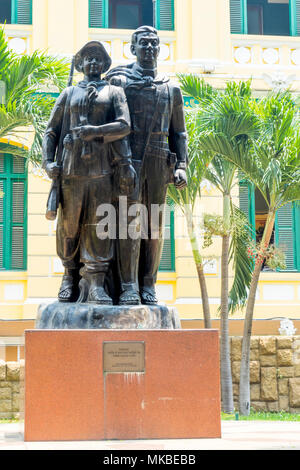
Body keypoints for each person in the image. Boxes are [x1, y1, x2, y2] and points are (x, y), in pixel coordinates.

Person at [42, 41, 136, 304]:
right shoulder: (69, 93)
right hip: (71, 170)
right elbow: (51, 131)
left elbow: (124, 125)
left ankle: (96, 284)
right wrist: (48, 163)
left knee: (98, 228)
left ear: (104, 65)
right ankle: (69, 276)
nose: (93, 63)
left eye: (98, 59)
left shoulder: (114, 92)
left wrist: (95, 132)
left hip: (102, 170)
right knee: (69, 227)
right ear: (81, 64)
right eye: (88, 59)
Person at [106, 26, 188, 306]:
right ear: (133, 48)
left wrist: (183, 165)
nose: (150, 49)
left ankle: (149, 284)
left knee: (153, 226)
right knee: (127, 224)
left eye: (155, 44)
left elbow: (179, 132)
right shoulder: (119, 80)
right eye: (144, 44)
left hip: (159, 158)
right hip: (126, 157)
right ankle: (128, 286)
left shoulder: (170, 86)